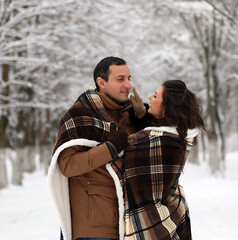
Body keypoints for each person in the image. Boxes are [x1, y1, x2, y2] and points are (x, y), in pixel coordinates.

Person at [48, 56, 153, 240]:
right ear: (101, 82)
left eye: (129, 78)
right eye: (120, 79)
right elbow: (67, 165)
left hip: (130, 223)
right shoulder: (79, 114)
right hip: (94, 228)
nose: (128, 85)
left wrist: (143, 118)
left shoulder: (129, 115)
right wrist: (111, 147)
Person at [108, 80, 205, 240]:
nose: (149, 97)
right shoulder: (179, 136)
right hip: (171, 214)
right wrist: (141, 115)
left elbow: (114, 158)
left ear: (167, 106)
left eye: (156, 95)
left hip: (151, 224)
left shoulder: (147, 141)